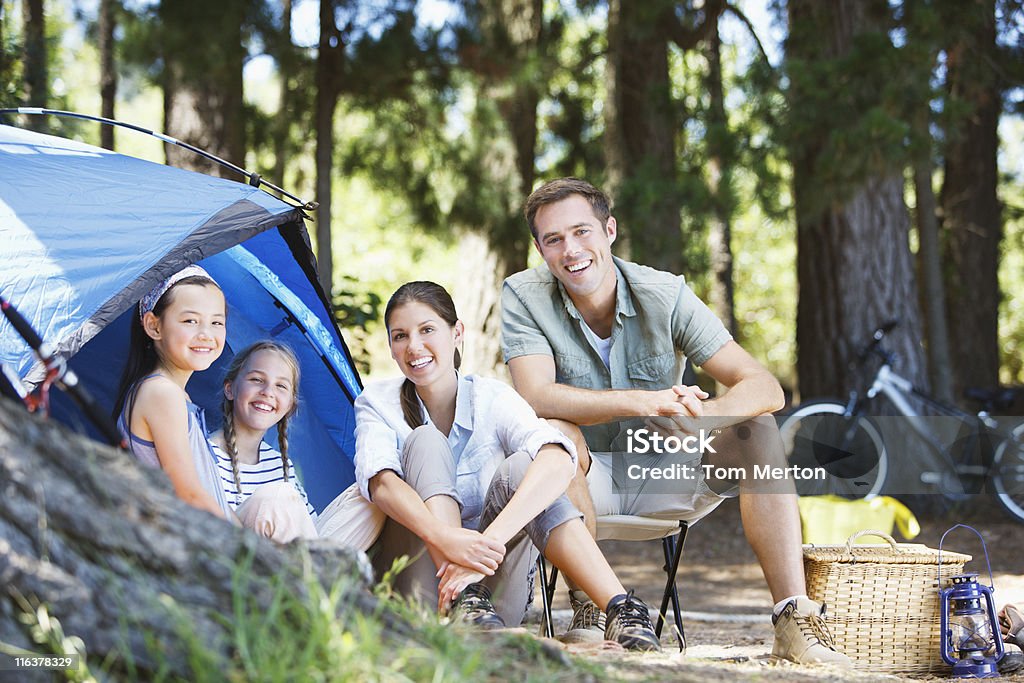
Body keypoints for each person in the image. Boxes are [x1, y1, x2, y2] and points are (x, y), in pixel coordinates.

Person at [500, 177, 850, 665]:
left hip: (665, 470)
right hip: (582, 477)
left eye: (582, 232)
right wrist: (642, 402)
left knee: (758, 428)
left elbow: (765, 387)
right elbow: (536, 396)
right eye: (554, 239)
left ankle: (793, 619)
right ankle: (591, 605)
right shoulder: (522, 295)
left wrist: (705, 417)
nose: (571, 250)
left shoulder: (665, 294)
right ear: (540, 249)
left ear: (609, 230)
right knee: (556, 434)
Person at [354, 280, 662, 650]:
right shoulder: (378, 402)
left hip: (492, 593)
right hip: (418, 583)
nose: (414, 346)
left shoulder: (491, 396)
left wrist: (485, 544)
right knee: (425, 440)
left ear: (457, 333)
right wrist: (446, 539)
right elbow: (381, 483)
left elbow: (559, 458)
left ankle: (620, 608)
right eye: (400, 336)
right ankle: (468, 606)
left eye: (427, 330)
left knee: (524, 466)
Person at [114, 265, 233, 520]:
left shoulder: (177, 395)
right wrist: (252, 553)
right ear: (154, 326)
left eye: (216, 322)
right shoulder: (161, 392)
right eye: (190, 321)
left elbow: (210, 493)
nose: (206, 334)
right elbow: (188, 494)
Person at [208, 341, 319, 544]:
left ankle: (332, 564)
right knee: (277, 495)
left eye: (280, 386)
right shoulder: (206, 455)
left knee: (361, 498)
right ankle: (322, 571)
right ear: (230, 389)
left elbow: (308, 525)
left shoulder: (279, 463)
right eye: (257, 379)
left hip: (295, 552)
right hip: (240, 558)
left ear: (289, 406)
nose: (268, 392)